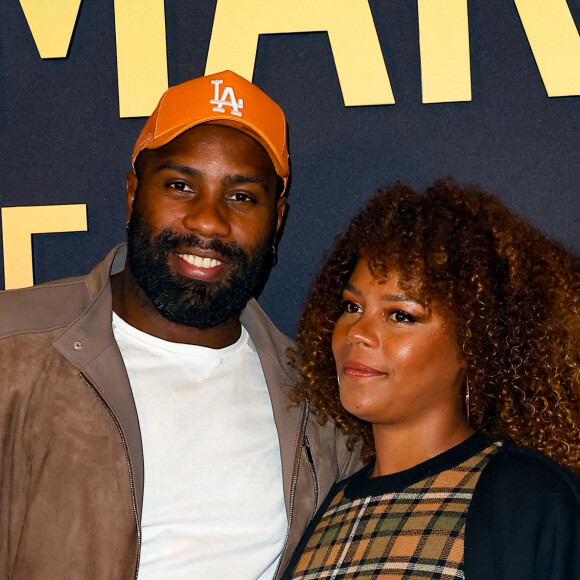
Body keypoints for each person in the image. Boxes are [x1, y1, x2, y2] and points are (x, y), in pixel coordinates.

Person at [0, 70, 360, 579]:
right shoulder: (11, 348)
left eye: (240, 196)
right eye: (180, 185)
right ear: (132, 195)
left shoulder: (318, 402)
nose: (208, 220)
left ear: (276, 219)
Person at [283, 180, 580, 579]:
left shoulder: (528, 500)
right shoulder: (327, 515)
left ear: (473, 344)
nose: (357, 332)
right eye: (352, 306)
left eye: (401, 315)